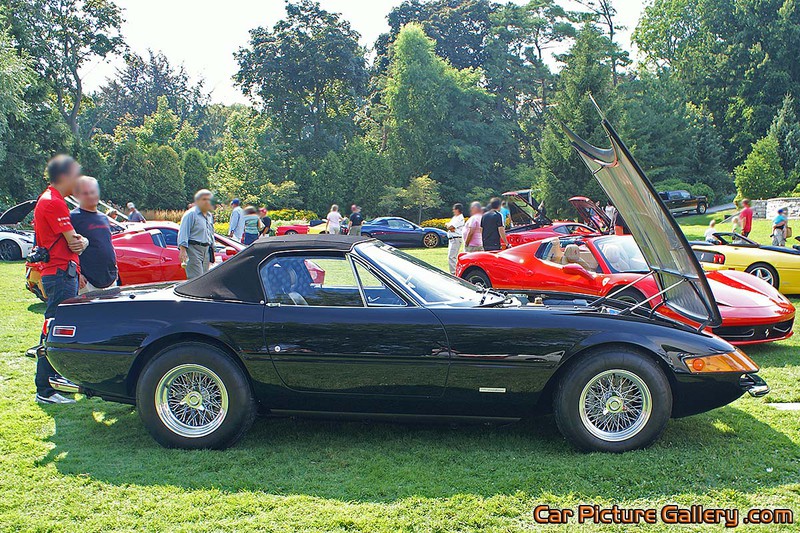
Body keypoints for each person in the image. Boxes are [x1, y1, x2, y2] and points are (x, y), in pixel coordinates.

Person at [32, 155, 88, 404]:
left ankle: (55, 379)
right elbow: (75, 242)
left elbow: (73, 242)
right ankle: (45, 388)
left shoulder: (50, 199)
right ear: (64, 176)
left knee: (57, 326)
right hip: (59, 272)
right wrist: (83, 241)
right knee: (55, 328)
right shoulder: (53, 202)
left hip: (62, 272)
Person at [70, 176, 118, 294]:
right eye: (86, 193)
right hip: (87, 282)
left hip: (110, 278)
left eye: (93, 192)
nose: (90, 196)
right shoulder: (72, 217)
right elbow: (66, 248)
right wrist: (77, 274)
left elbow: (107, 244)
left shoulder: (103, 218)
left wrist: (115, 267)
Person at [178, 190, 215, 279]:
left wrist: (213, 248)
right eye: (204, 199)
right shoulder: (191, 214)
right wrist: (182, 250)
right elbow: (183, 232)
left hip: (206, 250)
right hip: (193, 249)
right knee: (196, 278)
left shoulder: (209, 215)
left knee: (204, 278)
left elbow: (210, 233)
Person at [445, 203, 465, 273]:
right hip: (452, 238)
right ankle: (454, 272)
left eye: (454, 209)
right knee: (451, 256)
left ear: (458, 210)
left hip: (456, 238)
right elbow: (449, 226)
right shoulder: (455, 217)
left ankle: (454, 273)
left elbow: (451, 227)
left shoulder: (460, 218)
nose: (453, 211)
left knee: (452, 256)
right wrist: (448, 226)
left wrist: (449, 226)